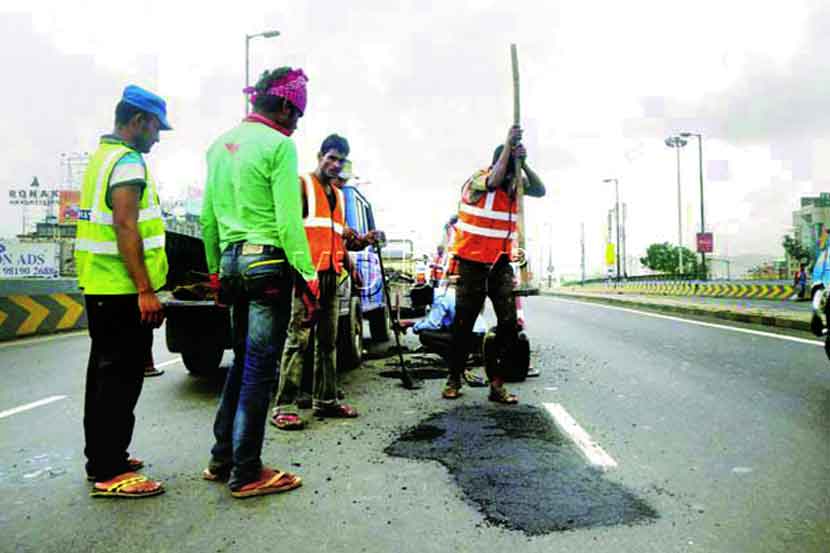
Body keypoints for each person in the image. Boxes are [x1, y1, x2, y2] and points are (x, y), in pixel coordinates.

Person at [199, 67, 314, 498]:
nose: (296, 124)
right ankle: (247, 471)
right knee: (259, 371)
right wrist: (307, 278)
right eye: (297, 114)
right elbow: (288, 222)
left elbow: (207, 218)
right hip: (266, 263)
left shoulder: (218, 146)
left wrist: (215, 270)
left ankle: (222, 457)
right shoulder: (279, 146)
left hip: (231, 261)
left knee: (243, 361)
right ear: (284, 106)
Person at [74, 85, 171, 498]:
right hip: (121, 287)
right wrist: (145, 289)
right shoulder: (128, 162)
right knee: (120, 378)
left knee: (104, 376)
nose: (158, 136)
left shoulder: (102, 157)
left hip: (102, 283)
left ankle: (103, 457)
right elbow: (126, 225)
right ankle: (109, 469)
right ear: (137, 121)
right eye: (155, 127)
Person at [271, 134, 380, 430]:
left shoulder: (338, 195)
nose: (335, 164)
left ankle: (326, 399)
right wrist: (302, 274)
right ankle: (284, 405)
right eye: (331, 158)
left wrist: (361, 245)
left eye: (340, 160)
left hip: (332, 275)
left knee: (328, 343)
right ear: (320, 156)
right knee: (298, 341)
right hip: (307, 276)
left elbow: (339, 238)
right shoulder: (302, 184)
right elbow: (289, 230)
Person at [443, 124, 546, 403]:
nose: (511, 178)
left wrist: (524, 164)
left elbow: (540, 190)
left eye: (513, 173)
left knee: (509, 324)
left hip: (500, 264)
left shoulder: (514, 186)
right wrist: (508, 145)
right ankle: (454, 379)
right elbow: (493, 180)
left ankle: (497, 384)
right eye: (510, 170)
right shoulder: (479, 180)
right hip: (471, 262)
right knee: (463, 324)